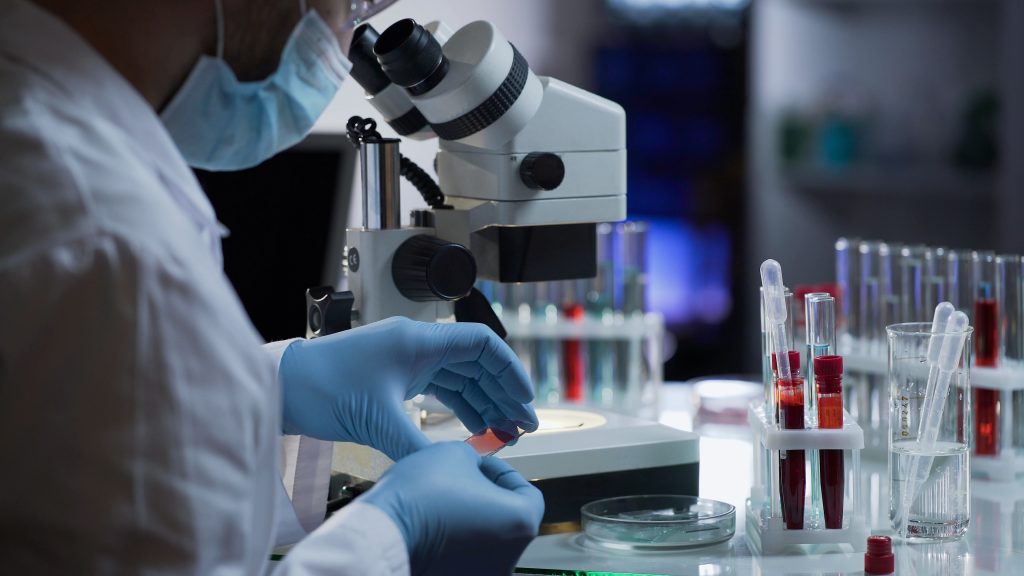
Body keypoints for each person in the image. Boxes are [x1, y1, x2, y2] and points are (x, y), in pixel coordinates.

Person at [0, 0, 545, 574]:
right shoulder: (105, 241)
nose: (346, 43)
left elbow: (71, 445)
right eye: (351, 7)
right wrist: (393, 536)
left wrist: (270, 386)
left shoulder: (37, 138)